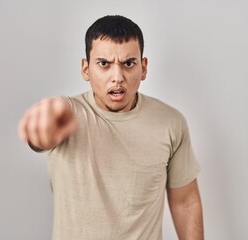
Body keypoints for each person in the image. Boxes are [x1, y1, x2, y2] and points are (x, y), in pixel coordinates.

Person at [18, 15, 204, 240]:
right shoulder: (68, 114)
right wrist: (44, 123)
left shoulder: (170, 123)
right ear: (86, 69)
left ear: (143, 68)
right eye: (104, 64)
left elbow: (185, 202)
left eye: (128, 64)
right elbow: (45, 128)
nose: (117, 77)